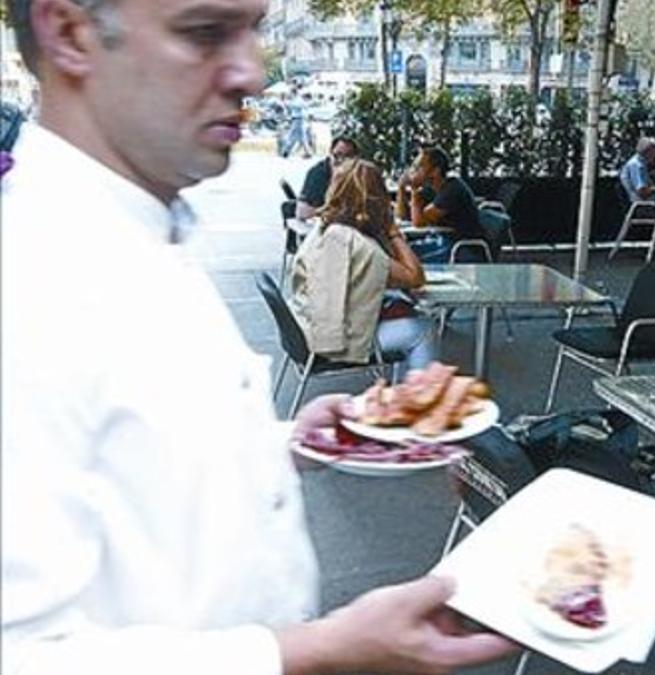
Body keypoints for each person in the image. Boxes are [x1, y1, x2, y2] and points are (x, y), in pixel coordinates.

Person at [0, 2, 514, 675]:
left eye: (254, 31)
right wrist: (323, 649)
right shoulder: (29, 277)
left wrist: (289, 441)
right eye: (204, 32)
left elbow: (126, 458)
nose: (252, 74)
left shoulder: (131, 232)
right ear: (69, 33)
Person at [291, 159, 435, 374]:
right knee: (423, 329)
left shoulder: (324, 227)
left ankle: (401, 398)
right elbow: (415, 277)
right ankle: (419, 404)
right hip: (330, 343)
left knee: (401, 309)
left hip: (306, 329)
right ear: (378, 197)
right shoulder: (357, 244)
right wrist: (392, 230)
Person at [397, 145, 483, 257]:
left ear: (435, 171)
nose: (414, 171)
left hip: (462, 248)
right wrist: (401, 188)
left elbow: (419, 223)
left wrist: (414, 189)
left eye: (419, 167)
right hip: (441, 240)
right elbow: (402, 215)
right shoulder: (431, 188)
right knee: (399, 252)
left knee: (407, 258)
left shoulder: (452, 189)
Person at [296, 135, 357, 219]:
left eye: (347, 157)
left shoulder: (357, 174)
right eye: (337, 155)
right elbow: (304, 210)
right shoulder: (317, 174)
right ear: (330, 153)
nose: (341, 160)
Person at [619, 136, 655, 203]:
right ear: (647, 151)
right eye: (654, 151)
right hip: (638, 204)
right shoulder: (636, 165)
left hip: (642, 201)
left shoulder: (641, 164)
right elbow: (642, 192)